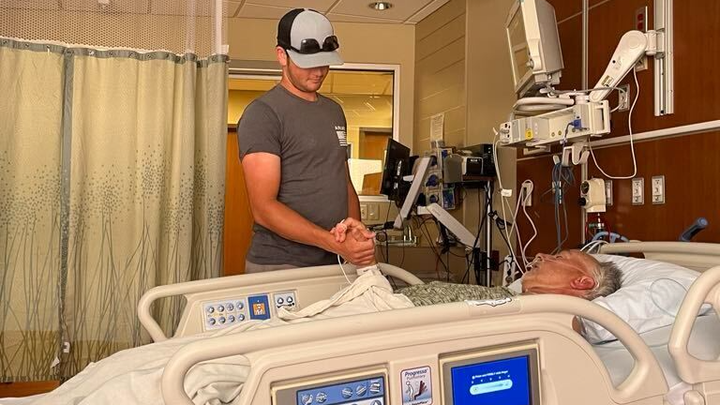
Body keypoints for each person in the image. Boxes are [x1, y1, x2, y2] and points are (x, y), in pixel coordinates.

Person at [237, 8, 375, 272]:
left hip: (334, 260)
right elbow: (264, 208)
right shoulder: (263, 114)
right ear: (282, 55)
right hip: (282, 263)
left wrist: (354, 234)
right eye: (309, 63)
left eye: (325, 62)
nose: (319, 71)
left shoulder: (334, 111)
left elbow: (343, 182)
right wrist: (333, 243)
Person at [331, 218, 623, 306]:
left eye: (559, 257)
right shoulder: (508, 297)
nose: (541, 256)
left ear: (582, 282)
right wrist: (367, 262)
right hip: (377, 307)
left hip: (379, 319)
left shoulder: (553, 318)